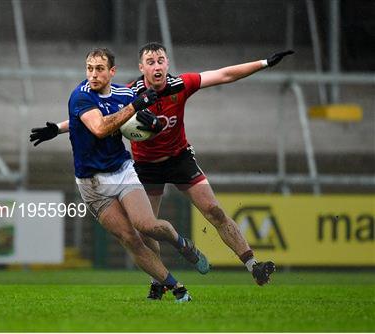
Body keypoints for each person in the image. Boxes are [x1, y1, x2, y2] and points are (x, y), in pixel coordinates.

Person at [30, 43, 294, 299]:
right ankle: (159, 281)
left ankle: (252, 265)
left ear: (167, 64)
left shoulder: (180, 84)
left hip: (179, 159)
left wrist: (264, 63)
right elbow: (94, 117)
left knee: (214, 210)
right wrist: (58, 128)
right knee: (147, 230)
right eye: (150, 62)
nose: (156, 67)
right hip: (144, 167)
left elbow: (223, 74)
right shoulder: (131, 92)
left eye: (160, 61)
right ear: (141, 67)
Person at [33, 47, 211, 302]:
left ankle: (181, 243)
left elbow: (143, 120)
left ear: (112, 72)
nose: (93, 75)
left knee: (146, 226)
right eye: (89, 69)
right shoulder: (80, 96)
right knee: (131, 239)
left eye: (99, 69)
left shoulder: (125, 94)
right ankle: (176, 288)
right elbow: (99, 127)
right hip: (92, 184)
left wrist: (153, 123)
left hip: (122, 171)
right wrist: (134, 107)